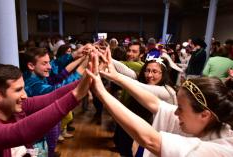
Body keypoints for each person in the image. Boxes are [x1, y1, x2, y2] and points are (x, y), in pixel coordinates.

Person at [86, 50, 233, 157]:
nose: (175, 113)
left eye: (180, 109)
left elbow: (150, 141)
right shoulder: (210, 123)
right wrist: (116, 76)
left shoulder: (219, 151)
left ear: (205, 115)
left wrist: (101, 92)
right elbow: (155, 103)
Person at [0, 63, 90, 157]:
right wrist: (76, 95)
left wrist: (88, 79)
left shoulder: (13, 107)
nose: (25, 95)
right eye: (18, 90)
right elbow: (16, 132)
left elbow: (51, 97)